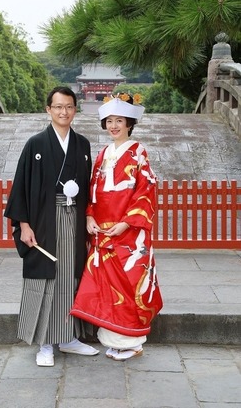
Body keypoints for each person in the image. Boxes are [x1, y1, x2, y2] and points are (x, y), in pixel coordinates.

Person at [4, 86, 99, 367]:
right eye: (57, 107)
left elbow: (89, 187)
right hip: (44, 220)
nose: (63, 112)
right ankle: (45, 344)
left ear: (75, 110)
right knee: (45, 278)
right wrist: (24, 224)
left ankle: (68, 338)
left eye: (69, 106)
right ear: (48, 110)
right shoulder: (35, 143)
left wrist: (90, 217)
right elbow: (21, 184)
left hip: (74, 218)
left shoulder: (82, 144)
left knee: (70, 276)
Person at [70, 95, 163, 361]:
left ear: (129, 123)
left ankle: (132, 342)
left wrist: (126, 223)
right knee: (106, 286)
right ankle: (114, 339)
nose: (113, 126)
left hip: (128, 233)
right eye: (109, 121)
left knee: (129, 283)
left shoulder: (138, 152)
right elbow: (92, 190)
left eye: (119, 121)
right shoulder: (102, 154)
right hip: (102, 230)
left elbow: (145, 191)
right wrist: (89, 215)